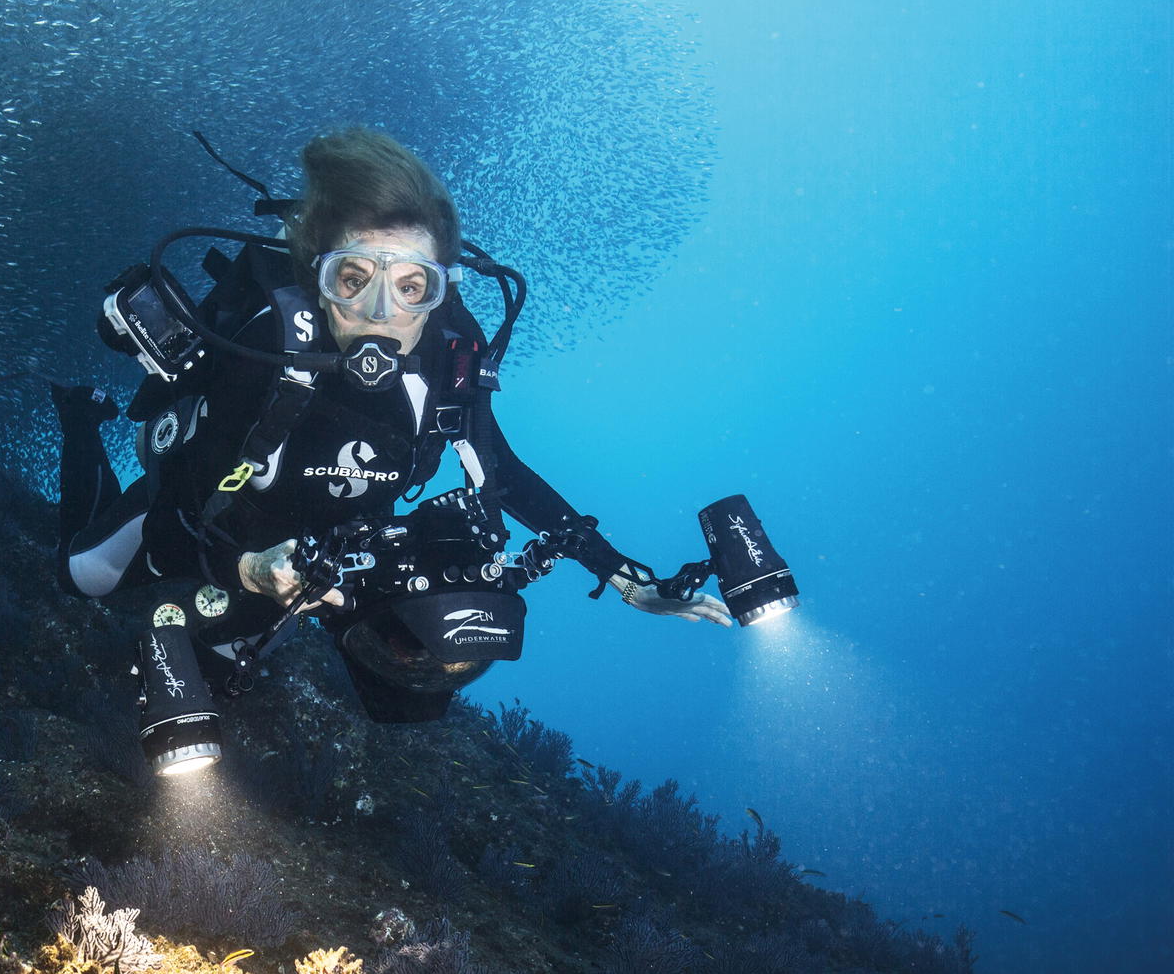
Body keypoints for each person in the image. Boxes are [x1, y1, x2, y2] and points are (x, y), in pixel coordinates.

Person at [53, 127, 729, 722]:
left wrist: (622, 576)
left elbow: (502, 474)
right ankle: (81, 423)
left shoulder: (446, 361)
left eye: (412, 287)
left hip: (323, 551)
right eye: (352, 278)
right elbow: (190, 499)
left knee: (406, 677)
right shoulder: (271, 347)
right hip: (210, 523)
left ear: (439, 290)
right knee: (82, 578)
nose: (380, 311)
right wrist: (249, 567)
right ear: (320, 279)